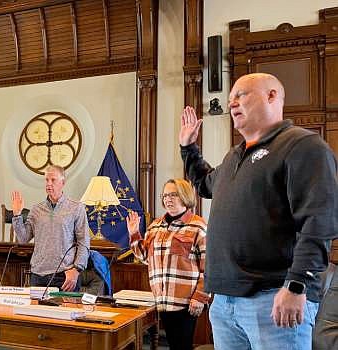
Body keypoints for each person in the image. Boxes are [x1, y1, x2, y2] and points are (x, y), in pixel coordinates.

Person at [179, 72, 338, 349]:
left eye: (241, 95)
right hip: (224, 302)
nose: (232, 104)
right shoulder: (234, 156)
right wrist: (188, 147)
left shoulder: (303, 146)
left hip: (274, 298)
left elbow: (319, 221)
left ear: (272, 95)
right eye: (230, 100)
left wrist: (297, 284)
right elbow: (205, 185)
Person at [127, 178, 208, 350]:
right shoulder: (155, 226)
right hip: (162, 301)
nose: (167, 199)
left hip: (186, 303)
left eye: (173, 195)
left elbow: (209, 266)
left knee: (181, 347)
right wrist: (134, 233)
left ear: (185, 196)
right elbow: (144, 256)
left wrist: (200, 297)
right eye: (164, 195)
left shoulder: (198, 226)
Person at [11, 165, 90, 292]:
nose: (49, 184)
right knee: (35, 312)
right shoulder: (36, 210)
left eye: (53, 180)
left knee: (66, 312)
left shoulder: (76, 208)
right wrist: (17, 215)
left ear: (63, 182)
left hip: (64, 275)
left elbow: (84, 242)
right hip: (37, 276)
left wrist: (76, 270)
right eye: (46, 180)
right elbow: (22, 239)